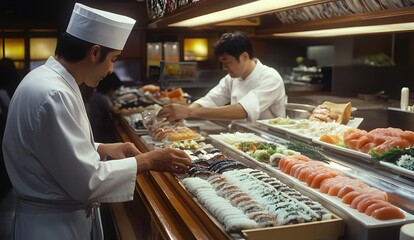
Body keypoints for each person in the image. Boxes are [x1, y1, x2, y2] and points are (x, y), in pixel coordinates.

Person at [2, 3, 191, 240]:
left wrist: (101, 148)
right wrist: (148, 161)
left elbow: (52, 148)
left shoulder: (45, 80)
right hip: (54, 227)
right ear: (94, 52)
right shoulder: (54, 93)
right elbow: (87, 181)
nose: (111, 69)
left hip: (51, 219)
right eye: (113, 58)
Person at [157, 31, 286, 123]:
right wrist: (182, 112)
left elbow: (243, 110)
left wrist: (190, 112)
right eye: (222, 63)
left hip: (270, 142)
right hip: (241, 138)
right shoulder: (232, 78)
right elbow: (212, 99)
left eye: (227, 62)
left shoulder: (270, 77)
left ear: (244, 56)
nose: (224, 68)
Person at [89, 72, 122, 143]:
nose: (114, 92)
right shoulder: (103, 98)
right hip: (101, 131)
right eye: (114, 90)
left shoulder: (97, 93)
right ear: (110, 88)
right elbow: (113, 111)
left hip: (95, 128)